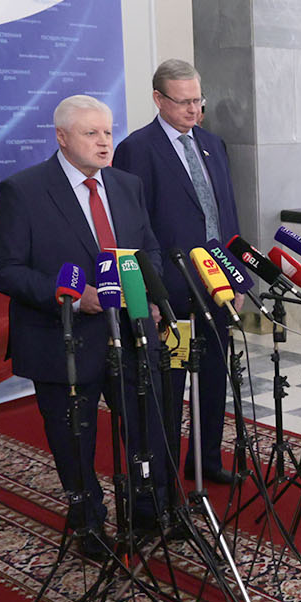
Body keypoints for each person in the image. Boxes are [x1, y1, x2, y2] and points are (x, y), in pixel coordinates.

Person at [0, 95, 175, 560]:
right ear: (62, 137)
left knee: (145, 427)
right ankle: (88, 521)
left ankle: (148, 509)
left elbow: (148, 249)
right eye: (91, 133)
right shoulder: (24, 190)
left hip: (130, 332)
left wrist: (149, 295)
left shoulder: (127, 184)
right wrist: (67, 295)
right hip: (63, 340)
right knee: (75, 439)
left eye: (108, 132)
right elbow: (3, 269)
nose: (104, 142)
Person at [112, 59, 243, 487]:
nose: (193, 110)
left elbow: (225, 214)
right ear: (158, 98)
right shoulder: (137, 149)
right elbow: (131, 227)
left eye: (198, 100)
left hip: (216, 286)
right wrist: (145, 295)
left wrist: (235, 275)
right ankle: (165, 477)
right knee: (169, 385)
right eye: (183, 101)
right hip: (169, 291)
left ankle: (206, 461)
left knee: (214, 378)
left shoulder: (212, 144)